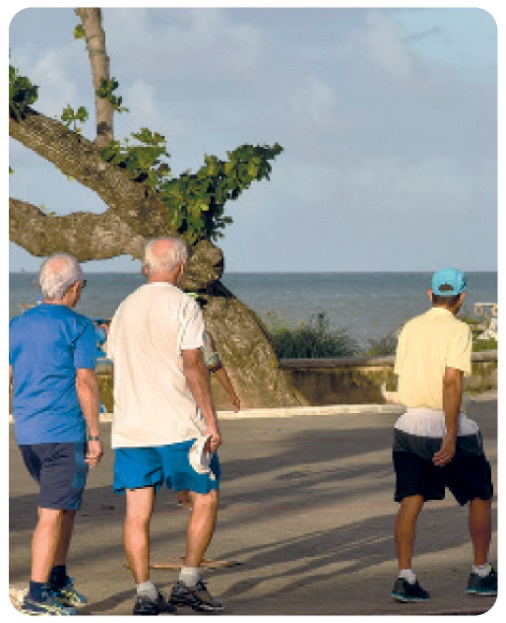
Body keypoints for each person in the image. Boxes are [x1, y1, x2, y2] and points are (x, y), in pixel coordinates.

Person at [105, 236, 224, 615]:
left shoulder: (125, 307)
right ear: (182, 266)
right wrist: (210, 419)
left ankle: (144, 592)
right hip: (179, 427)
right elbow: (194, 366)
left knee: (136, 513)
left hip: (132, 428)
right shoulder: (184, 305)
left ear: (146, 266)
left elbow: (115, 358)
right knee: (206, 499)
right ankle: (188, 581)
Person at [390, 267, 496, 603]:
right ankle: (480, 573)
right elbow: (451, 381)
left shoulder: (410, 328)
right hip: (448, 426)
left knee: (411, 498)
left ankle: (405, 578)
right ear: (462, 297)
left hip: (408, 426)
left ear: (430, 294)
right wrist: (450, 435)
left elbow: (404, 376)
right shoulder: (458, 330)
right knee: (480, 495)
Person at [9, 252, 104, 615]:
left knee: (65, 506)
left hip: (28, 434)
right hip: (63, 432)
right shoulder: (78, 326)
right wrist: (94, 434)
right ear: (75, 287)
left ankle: (58, 579)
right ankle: (37, 593)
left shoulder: (16, 325)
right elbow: (84, 380)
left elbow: (9, 375)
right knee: (52, 512)